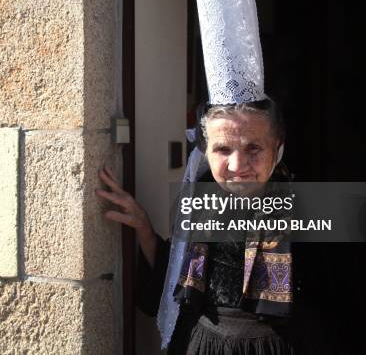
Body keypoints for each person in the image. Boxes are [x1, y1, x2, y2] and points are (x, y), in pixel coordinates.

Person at [96, 98, 315, 354]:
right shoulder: (199, 205)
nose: (237, 166)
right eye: (223, 149)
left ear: (277, 148)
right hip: (204, 345)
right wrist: (144, 227)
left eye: (253, 148)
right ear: (206, 152)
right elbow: (172, 280)